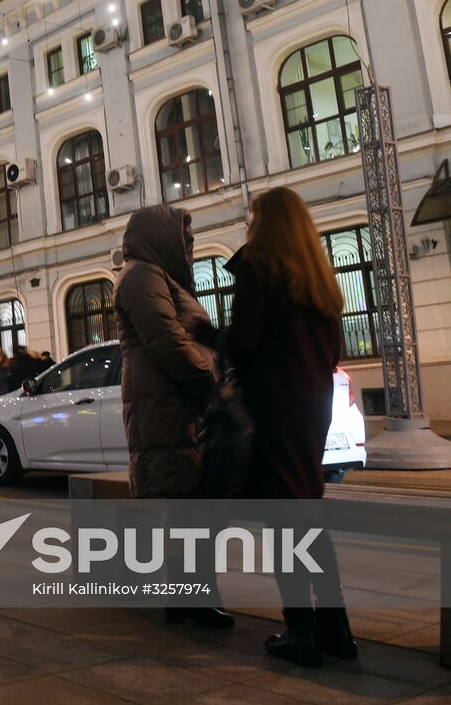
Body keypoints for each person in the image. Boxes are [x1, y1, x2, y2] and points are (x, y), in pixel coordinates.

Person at [226, 187, 352, 668]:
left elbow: (244, 343)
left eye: (254, 217)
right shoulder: (319, 280)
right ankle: (337, 629)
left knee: (285, 527)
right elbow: (332, 352)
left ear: (267, 224)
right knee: (308, 520)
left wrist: (203, 332)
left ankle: (302, 631)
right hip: (311, 410)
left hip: (275, 411)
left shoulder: (260, 268)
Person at [114, 205, 228, 629]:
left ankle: (187, 598)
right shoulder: (142, 276)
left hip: (169, 404)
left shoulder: (156, 276)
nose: (191, 248)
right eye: (185, 239)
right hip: (164, 406)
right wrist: (211, 385)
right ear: (162, 238)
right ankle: (193, 598)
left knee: (187, 508)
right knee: (187, 506)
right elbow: (167, 341)